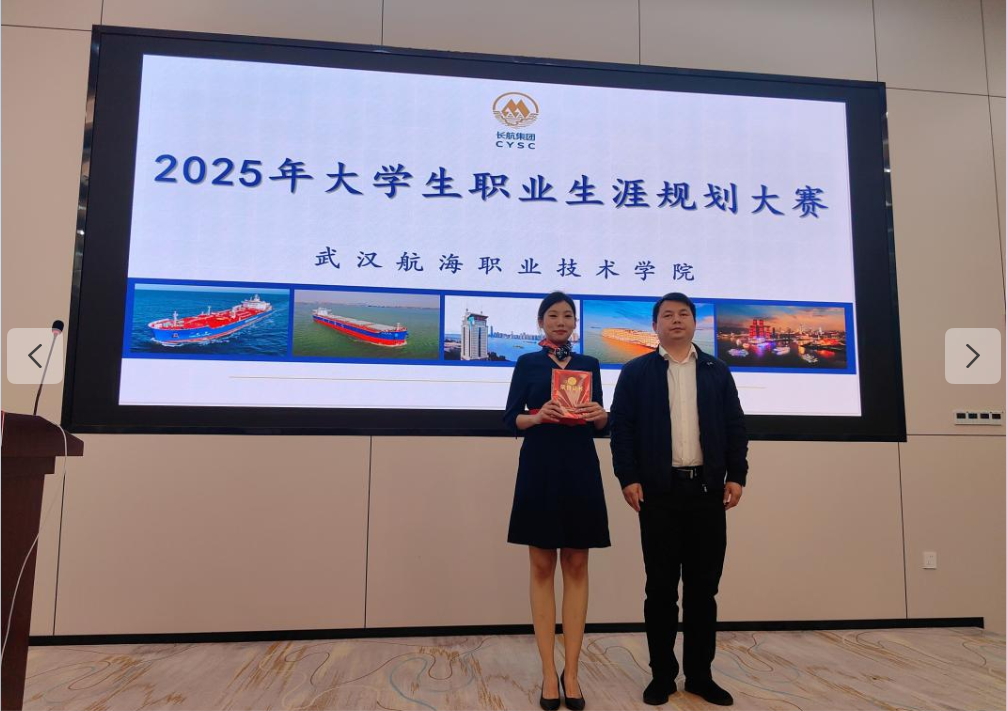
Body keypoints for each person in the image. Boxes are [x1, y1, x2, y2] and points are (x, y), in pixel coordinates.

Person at [610, 292, 749, 707]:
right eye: (667, 315)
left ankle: (701, 676)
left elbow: (735, 426)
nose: (676, 320)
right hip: (659, 494)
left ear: (694, 323)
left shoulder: (716, 371)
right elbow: (622, 429)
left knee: (703, 591)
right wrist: (628, 478)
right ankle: (662, 676)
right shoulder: (636, 372)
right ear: (655, 325)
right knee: (660, 591)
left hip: (707, 493)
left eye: (683, 314)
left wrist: (737, 475)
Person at [504, 291, 610, 711]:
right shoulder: (528, 363)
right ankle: (549, 673)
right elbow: (510, 418)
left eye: (568, 315)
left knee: (578, 563)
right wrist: (537, 416)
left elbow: (601, 422)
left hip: (580, 466)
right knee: (542, 565)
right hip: (540, 466)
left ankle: (573, 673)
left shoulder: (590, 364)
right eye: (553, 315)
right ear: (541, 321)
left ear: (575, 324)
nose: (561, 321)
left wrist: (601, 416)